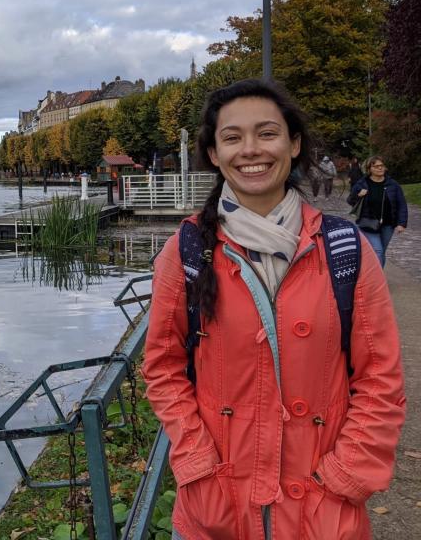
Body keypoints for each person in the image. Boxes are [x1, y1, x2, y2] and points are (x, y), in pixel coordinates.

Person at [143, 79, 405, 540]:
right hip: (219, 510)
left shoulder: (346, 250)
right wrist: (197, 464)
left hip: (322, 514)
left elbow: (381, 377)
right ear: (213, 154)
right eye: (232, 137)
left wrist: (346, 476)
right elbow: (164, 369)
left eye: (267, 133)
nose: (250, 150)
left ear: (293, 143)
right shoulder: (186, 251)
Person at [347, 155, 408, 267]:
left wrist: (402, 223)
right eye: (376, 166)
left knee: (381, 252)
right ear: (369, 169)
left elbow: (401, 204)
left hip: (388, 224)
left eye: (382, 166)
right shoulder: (362, 183)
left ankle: (376, 276)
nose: (380, 168)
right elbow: (350, 200)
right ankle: (377, 282)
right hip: (368, 223)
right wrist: (358, 195)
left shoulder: (393, 184)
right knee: (378, 251)